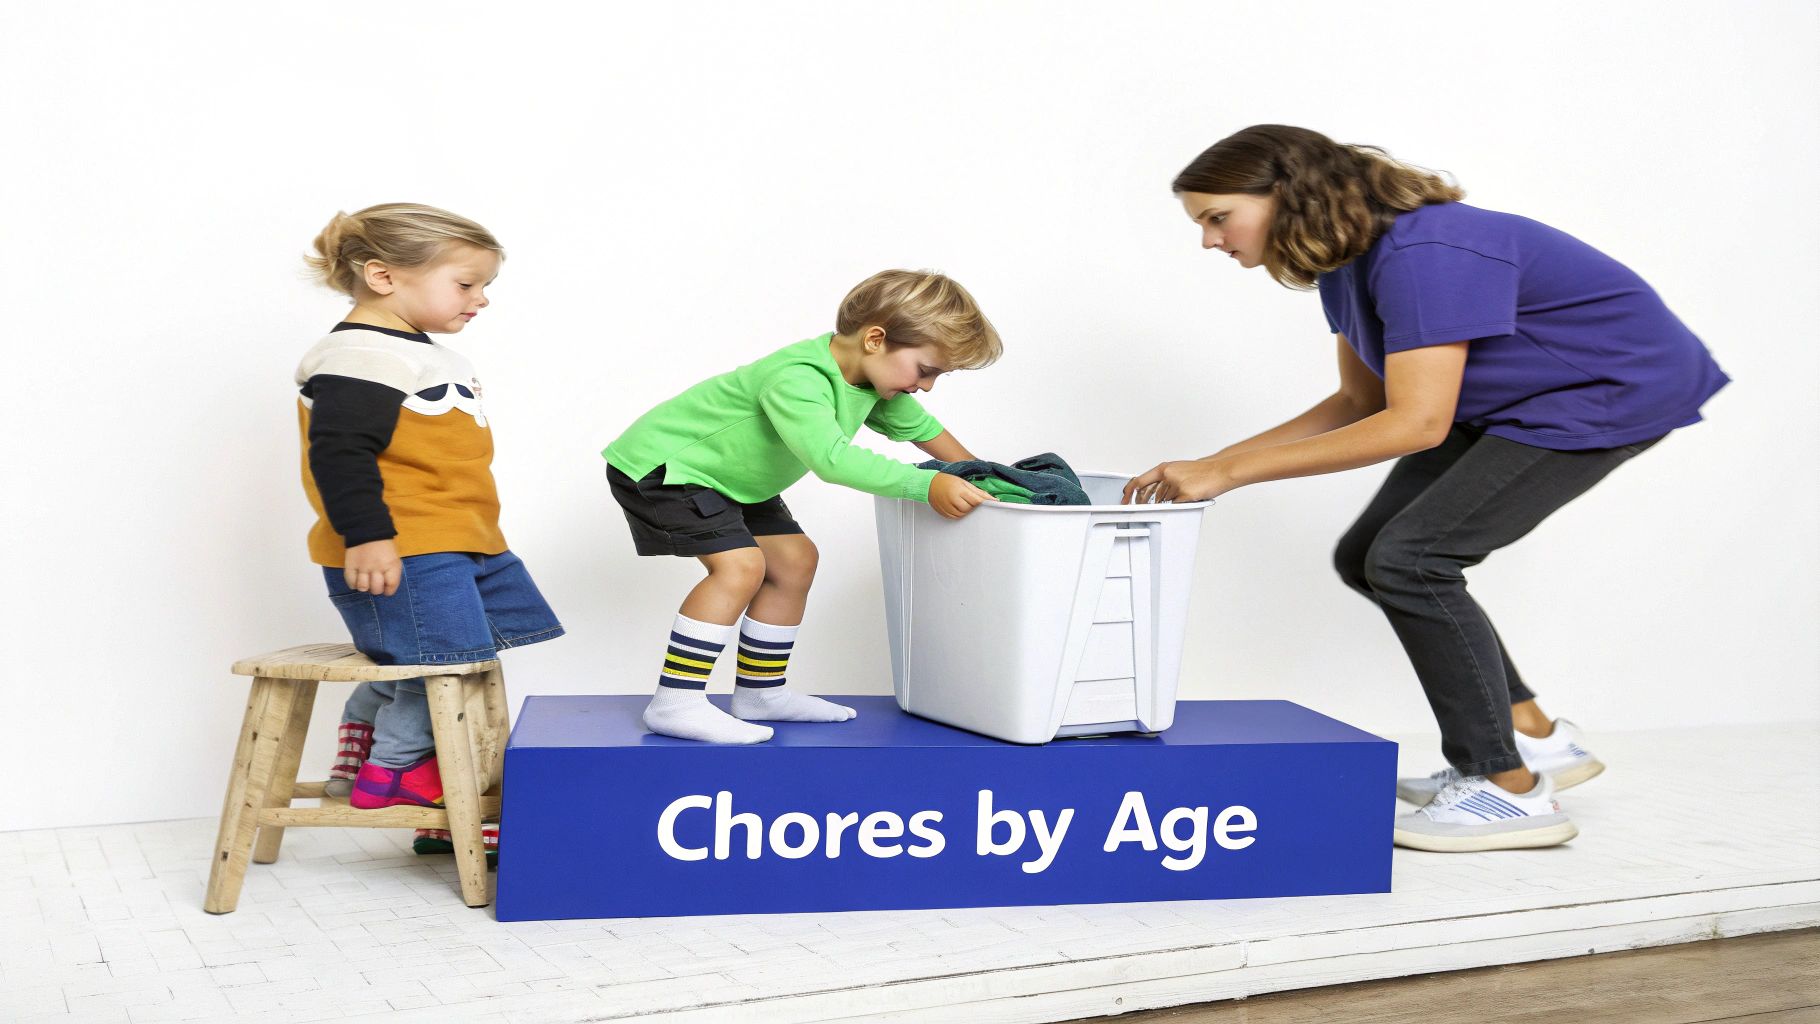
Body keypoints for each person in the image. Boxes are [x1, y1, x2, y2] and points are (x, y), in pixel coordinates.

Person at [1125, 125, 1728, 852]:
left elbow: (1414, 423)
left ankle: (1506, 788)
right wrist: (1216, 459)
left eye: (1217, 217)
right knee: (1368, 555)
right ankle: (1536, 740)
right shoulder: (1346, 261)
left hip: (1606, 390)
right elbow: (1358, 402)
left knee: (1412, 560)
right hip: (1503, 399)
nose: (1209, 242)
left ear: (1285, 195)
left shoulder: (1425, 253)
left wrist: (1227, 474)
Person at [603, 270, 1001, 744]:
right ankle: (676, 703)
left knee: (795, 561)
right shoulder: (798, 377)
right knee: (739, 568)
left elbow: (924, 431)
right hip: (667, 468)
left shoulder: (872, 382)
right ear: (876, 340)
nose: (929, 385)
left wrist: (987, 476)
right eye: (926, 370)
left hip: (734, 481)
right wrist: (925, 486)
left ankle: (760, 693)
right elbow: (832, 459)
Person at [298, 204, 563, 864]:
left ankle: (371, 729)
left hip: (459, 540)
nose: (482, 299)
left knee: (468, 654)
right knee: (449, 662)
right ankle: (393, 774)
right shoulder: (360, 352)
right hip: (407, 547)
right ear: (384, 277)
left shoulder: (414, 353)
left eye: (485, 285)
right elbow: (340, 454)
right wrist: (367, 536)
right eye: (466, 284)